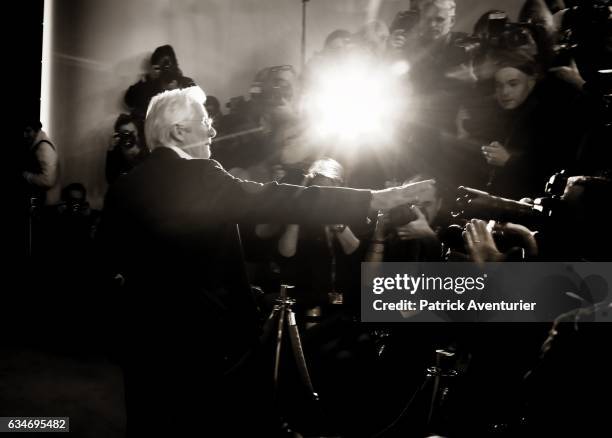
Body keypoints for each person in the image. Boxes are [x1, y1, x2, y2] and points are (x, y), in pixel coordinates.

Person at [97, 85, 435, 436]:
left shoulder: (125, 186)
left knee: (149, 422)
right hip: (203, 342)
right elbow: (284, 199)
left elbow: (105, 262)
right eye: (204, 122)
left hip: (142, 339)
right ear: (179, 131)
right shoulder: (201, 177)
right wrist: (375, 199)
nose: (212, 130)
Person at [124, 44, 196, 118]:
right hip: (154, 126)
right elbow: (129, 101)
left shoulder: (187, 83)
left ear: (174, 65)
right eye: (157, 68)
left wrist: (178, 93)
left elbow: (197, 109)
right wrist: (147, 80)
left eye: (167, 67)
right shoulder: (149, 84)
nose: (164, 71)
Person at [22, 119, 61, 206]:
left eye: (28, 131)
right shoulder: (40, 144)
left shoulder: (43, 147)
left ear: (37, 130)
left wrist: (26, 175)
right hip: (44, 201)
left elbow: (48, 180)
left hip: (46, 202)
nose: (24, 135)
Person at [105, 113, 149, 185]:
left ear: (137, 131)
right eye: (125, 134)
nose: (128, 137)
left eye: (130, 133)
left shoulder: (146, 144)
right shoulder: (118, 149)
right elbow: (111, 179)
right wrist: (111, 148)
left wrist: (138, 153)